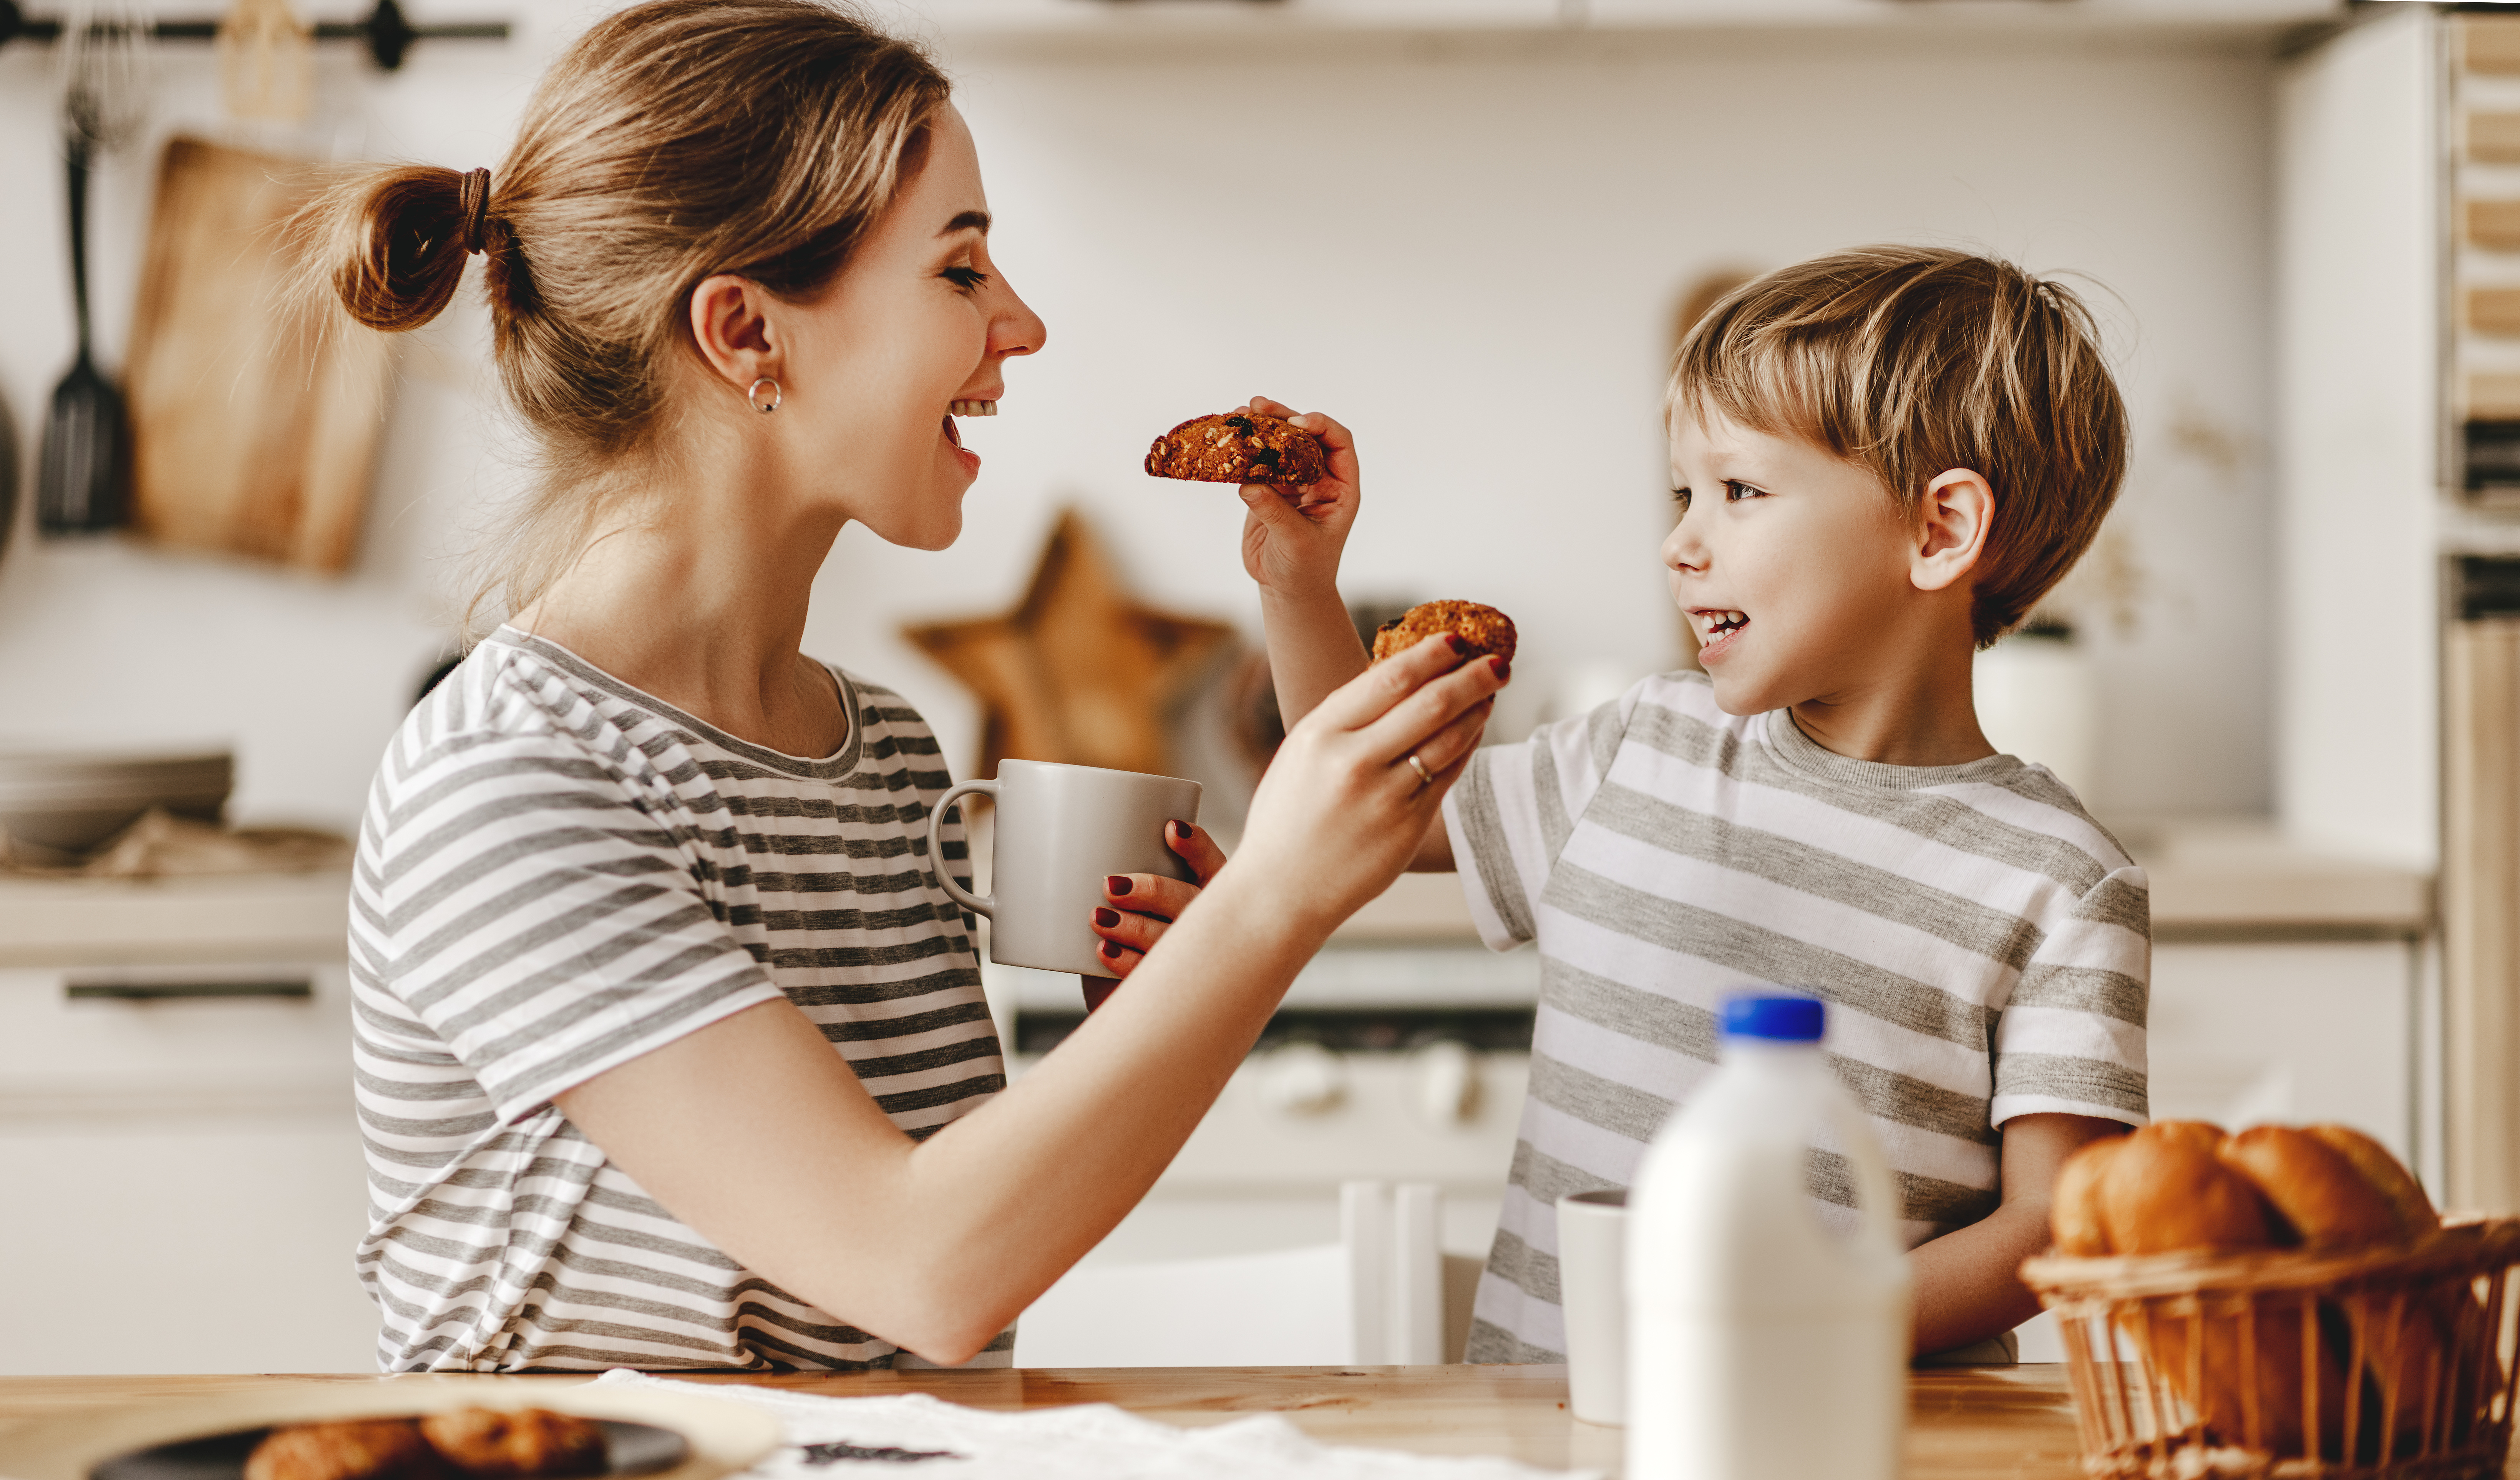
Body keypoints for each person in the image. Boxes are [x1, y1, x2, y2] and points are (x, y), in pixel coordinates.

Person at [323, 0, 1505, 1372]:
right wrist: (1274, 901)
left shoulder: (875, 750)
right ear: (745, 333)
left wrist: (1178, 991)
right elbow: (917, 1266)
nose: (1024, 324)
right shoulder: (508, 781)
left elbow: (935, 1285)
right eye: (960, 272)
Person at [1170, 247, 2148, 1364]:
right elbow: (1363, 796)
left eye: (1737, 491)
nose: (1680, 543)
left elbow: (2054, 1222)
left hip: (1853, 1440)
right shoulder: (1643, 748)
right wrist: (1300, 581)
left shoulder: (2063, 879)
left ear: (1939, 532)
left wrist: (1792, 1333)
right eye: (1684, 493)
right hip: (1556, 1432)